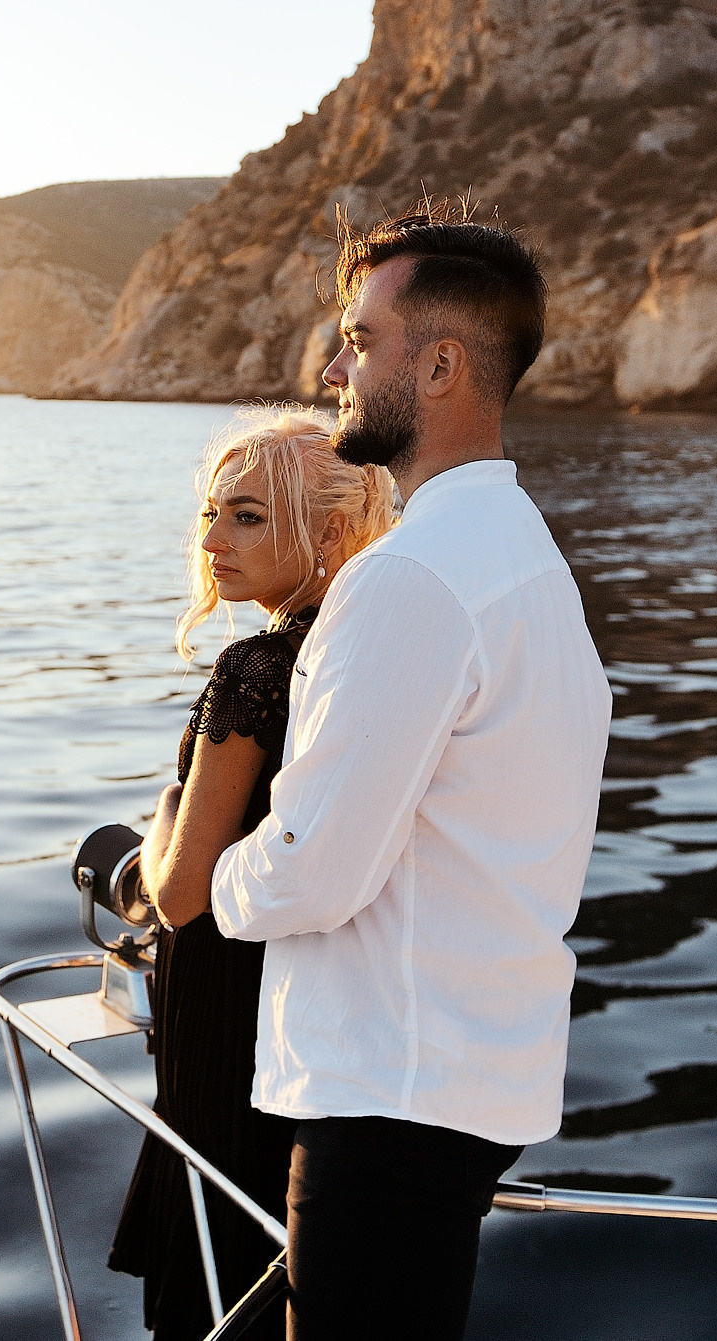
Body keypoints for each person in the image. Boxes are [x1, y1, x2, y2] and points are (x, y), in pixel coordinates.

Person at [207, 208, 612, 1340]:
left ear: (439, 365)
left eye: (358, 337)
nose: (332, 366)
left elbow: (310, 871)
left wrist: (209, 882)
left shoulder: (407, 581)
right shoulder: (529, 561)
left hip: (387, 1097)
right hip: (477, 1081)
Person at [107, 409, 397, 1340]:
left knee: (204, 1275)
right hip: (310, 1016)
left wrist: (158, 820)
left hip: (225, 1013)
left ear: (330, 530)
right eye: (210, 513)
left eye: (247, 516)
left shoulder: (256, 669)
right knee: (276, 1263)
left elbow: (181, 892)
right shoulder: (357, 654)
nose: (212, 540)